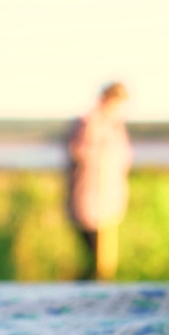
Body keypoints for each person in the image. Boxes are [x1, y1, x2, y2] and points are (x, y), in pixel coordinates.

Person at [64, 81, 133, 281]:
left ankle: (91, 295)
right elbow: (79, 153)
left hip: (108, 203)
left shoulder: (114, 127)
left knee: (104, 264)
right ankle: (84, 300)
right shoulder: (90, 124)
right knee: (96, 264)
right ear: (107, 100)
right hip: (91, 203)